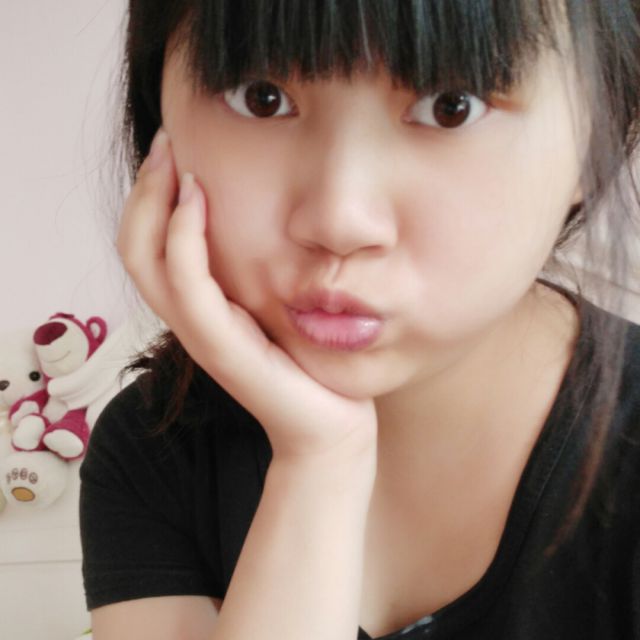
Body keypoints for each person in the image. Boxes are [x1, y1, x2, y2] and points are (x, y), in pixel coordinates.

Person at [79, 1, 640, 638]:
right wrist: (318, 463)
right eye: (261, 98)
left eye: (450, 107)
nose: (338, 220)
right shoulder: (153, 447)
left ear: (601, 129)